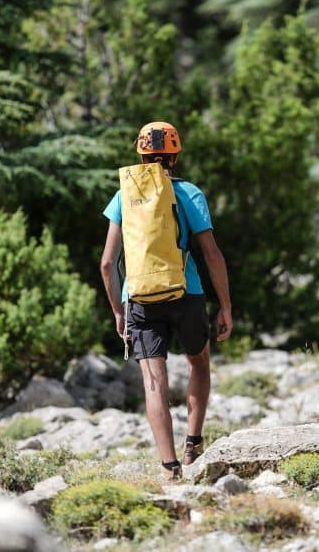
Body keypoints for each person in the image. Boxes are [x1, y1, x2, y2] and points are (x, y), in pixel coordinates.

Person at [100, 121, 232, 480]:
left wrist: (117, 310)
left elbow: (107, 263)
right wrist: (225, 305)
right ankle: (193, 442)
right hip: (186, 292)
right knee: (199, 363)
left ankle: (169, 468)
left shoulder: (123, 196)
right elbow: (211, 253)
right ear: (175, 155)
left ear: (140, 154)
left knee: (154, 382)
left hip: (139, 297)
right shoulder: (189, 193)